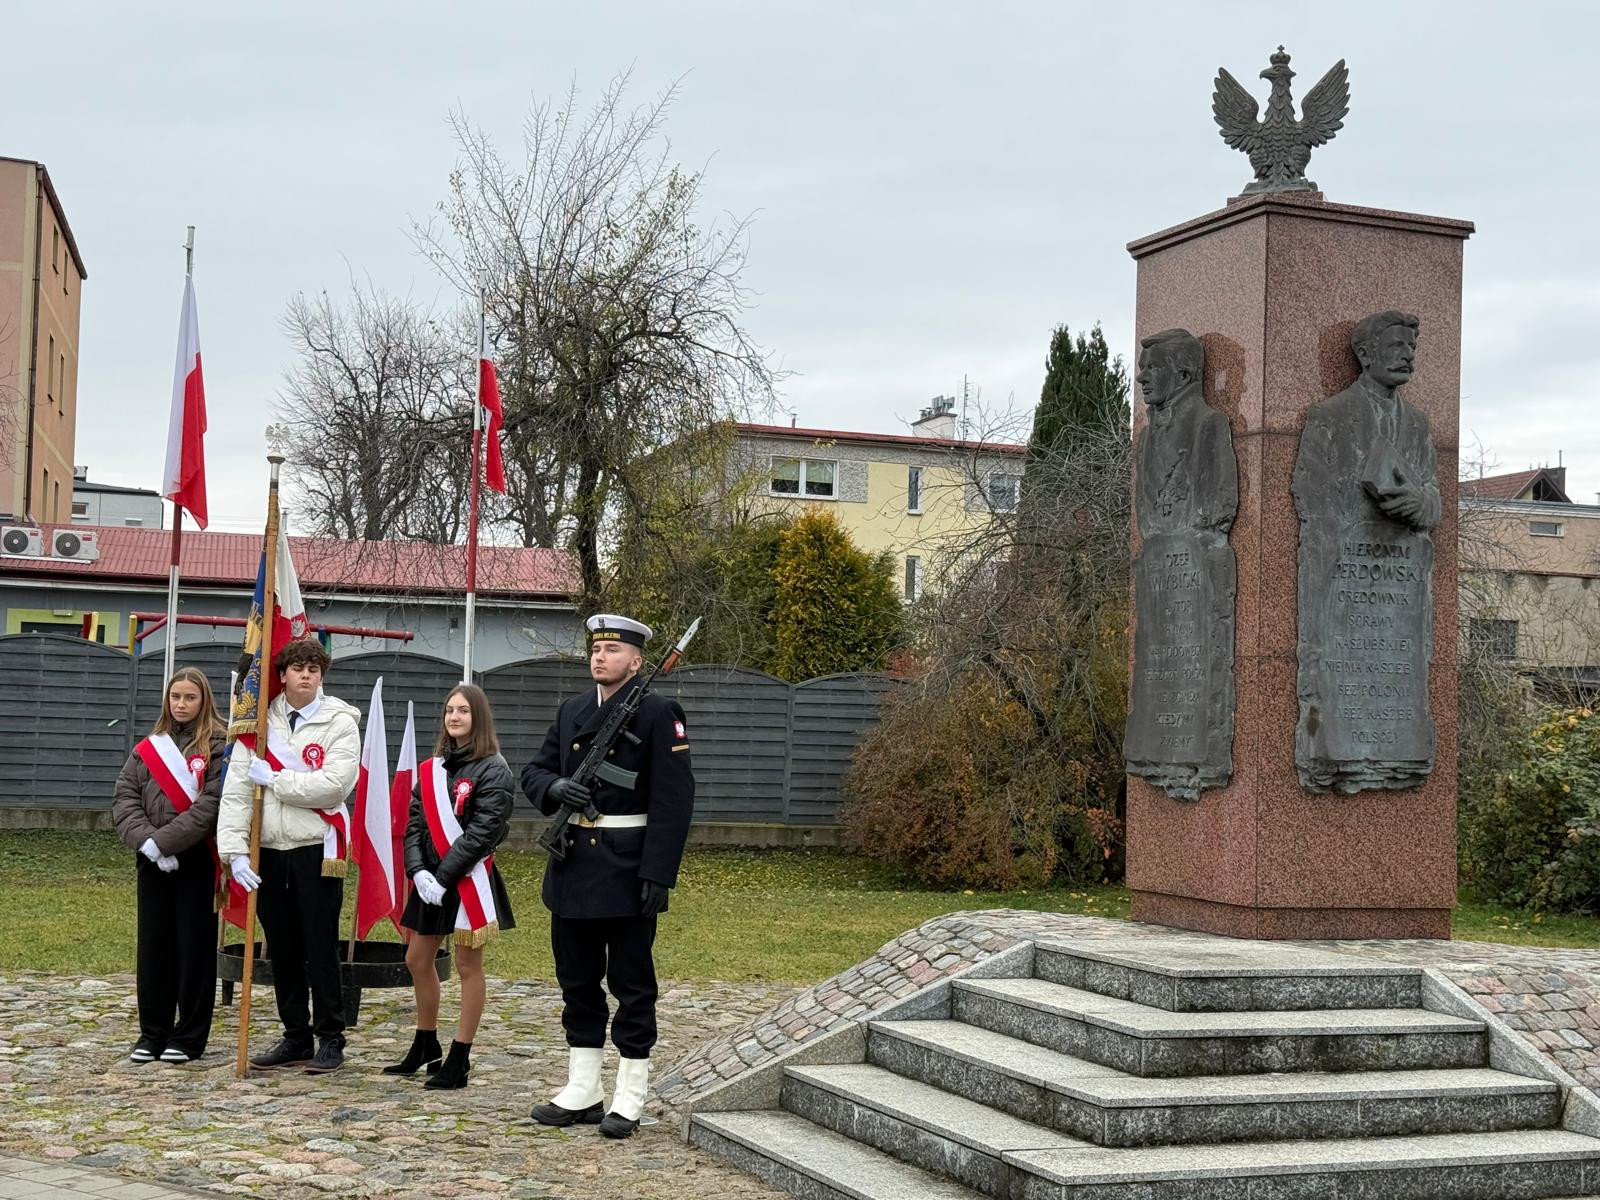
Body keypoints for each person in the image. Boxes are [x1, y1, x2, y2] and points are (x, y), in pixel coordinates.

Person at [521, 614, 694, 1139]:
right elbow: (534, 771)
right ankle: (584, 1088)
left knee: (631, 984)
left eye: (613, 650)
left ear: (636, 661)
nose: (600, 657)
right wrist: (555, 790)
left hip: (626, 869)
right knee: (577, 980)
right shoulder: (572, 710)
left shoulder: (659, 713)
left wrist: (658, 873)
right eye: (596, 649)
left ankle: (630, 1094)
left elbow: (674, 800)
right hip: (573, 864)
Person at [217, 639, 361, 1074]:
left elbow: (334, 785)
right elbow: (237, 790)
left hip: (315, 846)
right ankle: (296, 1034)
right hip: (269, 850)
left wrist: (277, 780)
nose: (306, 675)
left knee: (320, 945)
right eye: (298, 668)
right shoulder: (260, 721)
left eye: (314, 669)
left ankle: (330, 1036)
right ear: (282, 674)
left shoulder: (340, 721)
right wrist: (234, 852)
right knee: (281, 946)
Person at [385, 684, 516, 1089]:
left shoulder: (494, 768)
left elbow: (483, 832)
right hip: (430, 880)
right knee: (416, 959)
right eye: (449, 710)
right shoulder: (432, 769)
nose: (454, 717)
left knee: (466, 965)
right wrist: (418, 872)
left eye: (463, 711)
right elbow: (414, 824)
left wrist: (443, 877)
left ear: (479, 717)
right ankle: (426, 1043)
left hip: (468, 880)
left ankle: (460, 1056)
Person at [111, 666, 226, 1064]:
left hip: (196, 857)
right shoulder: (148, 747)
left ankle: (189, 1036)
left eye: (190, 697)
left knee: (194, 947)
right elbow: (125, 796)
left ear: (203, 700)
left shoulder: (218, 745)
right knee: (154, 946)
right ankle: (153, 1032)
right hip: (150, 859)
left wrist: (165, 842)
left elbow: (211, 804)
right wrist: (147, 843)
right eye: (175, 697)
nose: (181, 704)